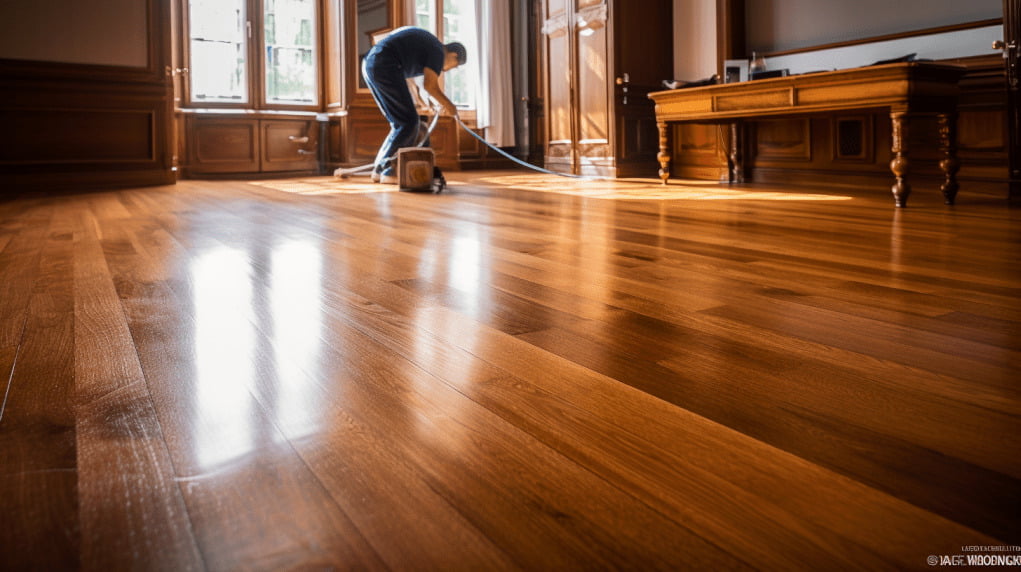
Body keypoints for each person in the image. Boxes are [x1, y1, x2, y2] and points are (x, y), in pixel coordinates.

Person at [362, 27, 467, 184]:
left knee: (400, 123)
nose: (451, 69)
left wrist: (423, 104)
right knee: (408, 122)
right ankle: (388, 170)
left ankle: (379, 169)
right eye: (455, 65)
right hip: (385, 64)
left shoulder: (430, 48)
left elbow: (413, 83)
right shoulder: (438, 51)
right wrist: (450, 105)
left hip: (371, 64)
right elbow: (430, 86)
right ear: (454, 55)